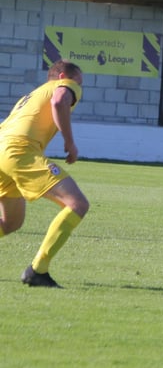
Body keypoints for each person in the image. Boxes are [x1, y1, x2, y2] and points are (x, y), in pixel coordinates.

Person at [0, 59, 90, 288]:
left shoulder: (32, 95)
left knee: (10, 222)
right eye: (78, 82)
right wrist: (70, 142)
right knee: (77, 204)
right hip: (19, 151)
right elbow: (60, 101)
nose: (78, 89)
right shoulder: (64, 87)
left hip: (3, 150)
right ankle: (37, 271)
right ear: (62, 77)